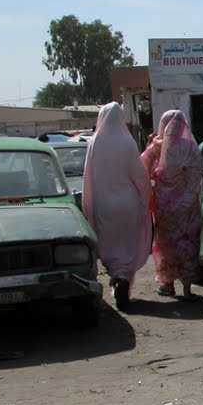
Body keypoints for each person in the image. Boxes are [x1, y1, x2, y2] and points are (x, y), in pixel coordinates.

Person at [83, 102, 152, 311]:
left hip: (104, 206)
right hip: (127, 204)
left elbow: (88, 177)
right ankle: (123, 278)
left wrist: (89, 205)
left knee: (111, 244)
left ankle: (117, 275)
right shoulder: (127, 142)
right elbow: (139, 175)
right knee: (126, 244)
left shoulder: (94, 142)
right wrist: (145, 196)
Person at [141, 109, 203, 300]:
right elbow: (200, 171)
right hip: (187, 206)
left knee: (166, 243)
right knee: (187, 243)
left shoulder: (158, 147)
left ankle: (168, 285)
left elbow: (143, 165)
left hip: (165, 207)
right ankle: (187, 287)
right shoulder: (190, 147)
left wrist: (155, 171)